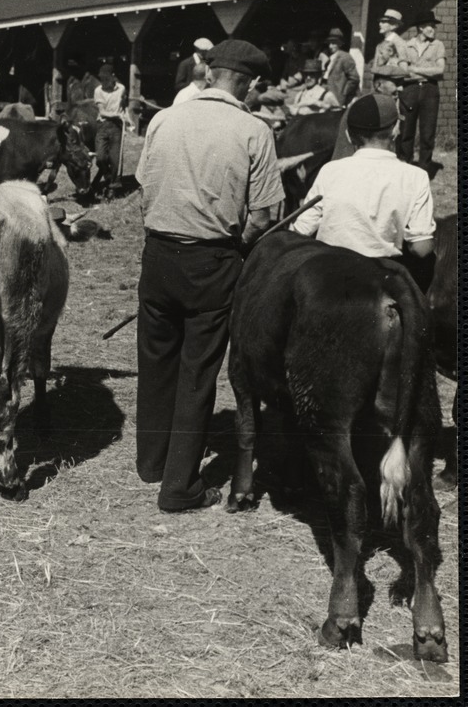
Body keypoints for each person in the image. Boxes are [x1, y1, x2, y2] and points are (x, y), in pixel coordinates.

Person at [134, 38, 284, 512]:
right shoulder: (253, 130)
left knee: (156, 359)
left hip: (157, 254)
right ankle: (179, 487)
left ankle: (152, 462)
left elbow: (144, 184)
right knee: (198, 369)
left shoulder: (164, 118)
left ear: (210, 71)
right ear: (249, 82)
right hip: (212, 260)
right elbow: (263, 216)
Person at [292, 93, 435, 292]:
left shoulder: (330, 171)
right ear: (396, 130)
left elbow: (300, 230)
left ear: (349, 136)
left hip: (330, 275)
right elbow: (422, 249)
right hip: (382, 279)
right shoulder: (416, 177)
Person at [398, 10, 445, 177]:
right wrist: (427, 71)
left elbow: (440, 70)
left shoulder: (438, 45)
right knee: (406, 131)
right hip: (409, 91)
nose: (433, 29)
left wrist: (415, 69)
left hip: (430, 91)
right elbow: (404, 72)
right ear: (420, 27)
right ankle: (405, 168)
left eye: (433, 26)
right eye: (430, 26)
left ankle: (424, 171)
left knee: (427, 132)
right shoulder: (406, 45)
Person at [93, 63, 126, 192]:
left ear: (113, 77)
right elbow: (102, 112)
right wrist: (117, 114)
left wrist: (125, 117)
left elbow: (124, 104)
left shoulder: (121, 89)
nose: (103, 81)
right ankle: (107, 177)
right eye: (101, 79)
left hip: (117, 127)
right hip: (103, 125)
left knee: (115, 159)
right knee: (100, 158)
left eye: (106, 78)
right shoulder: (98, 91)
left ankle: (112, 185)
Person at [322, 28, 359, 106]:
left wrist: (344, 93)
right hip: (328, 95)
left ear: (340, 44)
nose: (330, 46)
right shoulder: (331, 58)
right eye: (329, 43)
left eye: (333, 43)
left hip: (338, 97)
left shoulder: (345, 57)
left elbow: (354, 79)